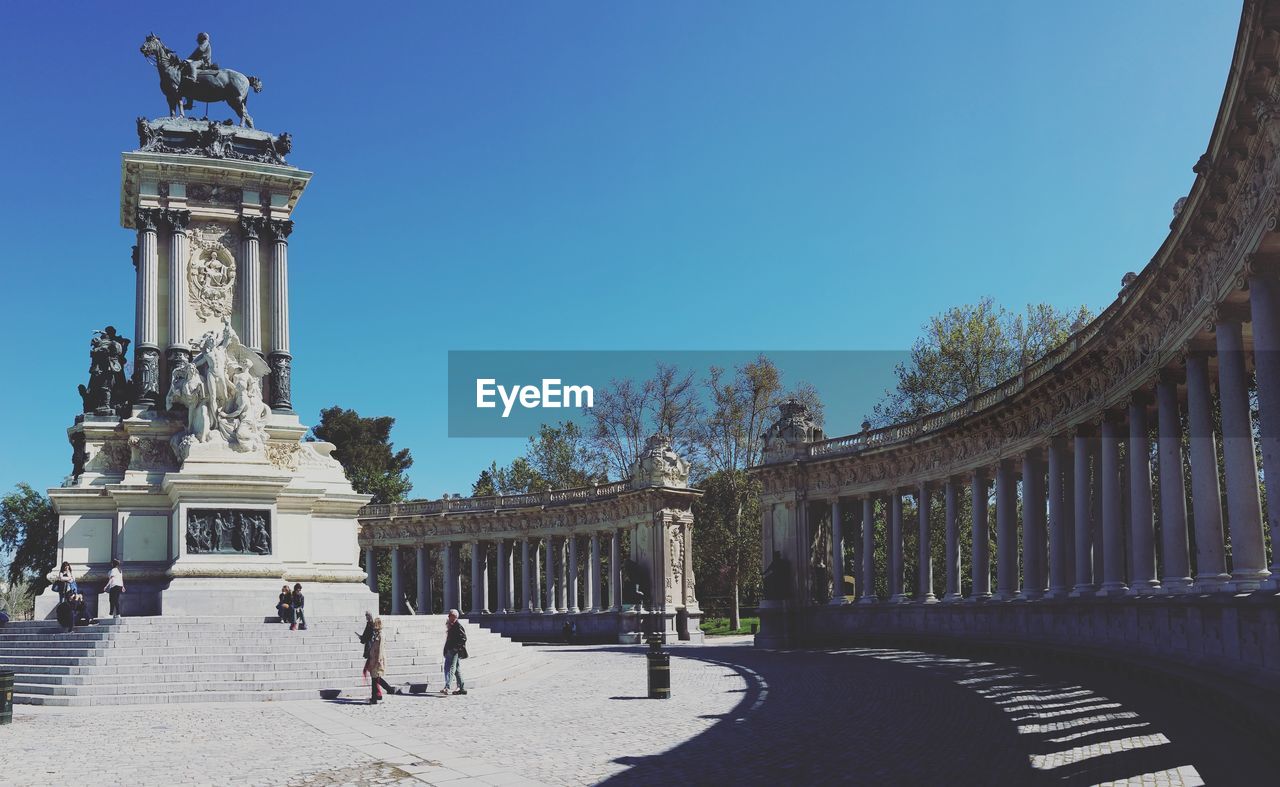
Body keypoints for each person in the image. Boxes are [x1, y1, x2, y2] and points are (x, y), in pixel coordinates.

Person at [364, 617, 401, 704]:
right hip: (373, 658)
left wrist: (379, 660)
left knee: (375, 679)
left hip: (377, 659)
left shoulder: (381, 635)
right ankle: (389, 689)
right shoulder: (376, 634)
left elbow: (381, 649)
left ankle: (374, 698)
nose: (373, 625)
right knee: (376, 678)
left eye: (375, 624)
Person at [440, 609, 468, 696]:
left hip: (454, 651)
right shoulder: (451, 625)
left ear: (455, 617)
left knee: (449, 668)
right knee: (457, 669)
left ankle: (447, 687)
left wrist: (456, 648)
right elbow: (449, 639)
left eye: (450, 615)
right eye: (449, 615)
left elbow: (464, 638)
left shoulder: (458, 626)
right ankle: (462, 688)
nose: (448, 616)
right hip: (450, 650)